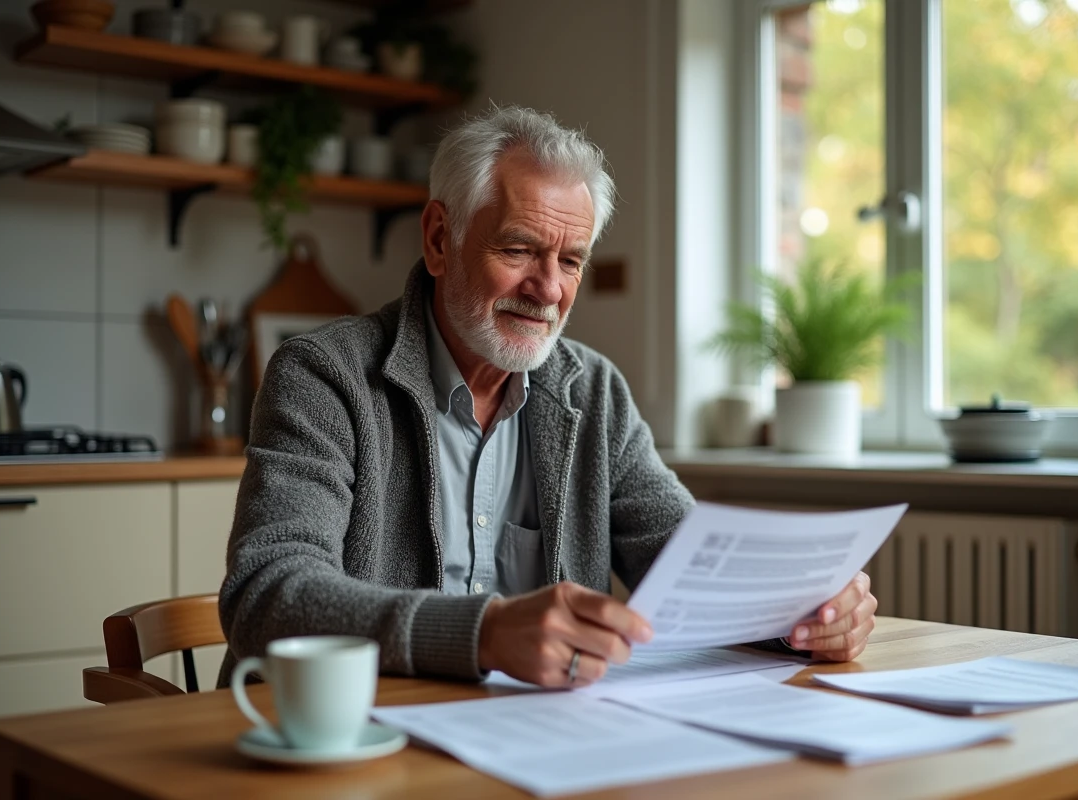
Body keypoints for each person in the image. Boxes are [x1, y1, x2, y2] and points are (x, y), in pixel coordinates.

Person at [218, 105, 877, 689]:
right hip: (349, 740)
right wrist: (481, 632)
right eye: (519, 249)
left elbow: (687, 568)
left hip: (533, 744)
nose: (548, 289)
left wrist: (802, 615)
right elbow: (268, 594)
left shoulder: (593, 392)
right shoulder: (323, 376)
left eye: (571, 261)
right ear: (440, 239)